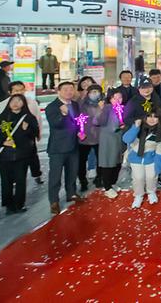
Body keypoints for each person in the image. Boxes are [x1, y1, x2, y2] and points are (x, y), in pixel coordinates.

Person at [0, 94, 38, 214]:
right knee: (6, 181)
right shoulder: (2, 118)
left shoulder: (28, 118)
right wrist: (3, 142)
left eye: (19, 101)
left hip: (22, 155)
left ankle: (20, 204)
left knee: (21, 181)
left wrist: (28, 129)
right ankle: (8, 204)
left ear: (23, 103)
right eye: (13, 101)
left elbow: (35, 134)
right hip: (6, 155)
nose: (16, 103)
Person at [0, 81, 43, 184]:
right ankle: (15, 179)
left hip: (28, 136)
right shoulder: (2, 105)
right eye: (16, 90)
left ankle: (36, 174)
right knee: (14, 159)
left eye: (21, 90)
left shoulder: (31, 103)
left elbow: (38, 119)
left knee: (33, 157)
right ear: (10, 92)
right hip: (10, 137)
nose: (19, 92)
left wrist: (38, 133)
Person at [45, 81, 84, 215]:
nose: (69, 92)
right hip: (58, 147)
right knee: (55, 176)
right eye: (66, 89)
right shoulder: (52, 106)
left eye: (71, 89)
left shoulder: (75, 104)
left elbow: (78, 121)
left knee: (72, 172)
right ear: (59, 91)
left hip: (73, 145)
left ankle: (71, 193)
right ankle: (54, 201)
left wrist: (80, 131)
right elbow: (55, 124)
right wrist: (63, 115)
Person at [122, 109, 161, 208]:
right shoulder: (138, 127)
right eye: (149, 116)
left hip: (151, 159)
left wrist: (158, 167)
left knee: (151, 177)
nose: (152, 119)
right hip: (136, 158)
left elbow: (160, 151)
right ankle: (138, 195)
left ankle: (151, 192)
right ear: (145, 117)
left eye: (155, 117)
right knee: (138, 178)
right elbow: (126, 139)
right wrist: (135, 127)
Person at [93, 90, 128, 198]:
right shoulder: (107, 108)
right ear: (110, 99)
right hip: (108, 139)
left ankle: (112, 182)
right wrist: (101, 109)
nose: (118, 100)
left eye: (120, 98)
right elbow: (97, 121)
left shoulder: (123, 109)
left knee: (117, 162)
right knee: (108, 162)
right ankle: (107, 186)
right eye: (115, 98)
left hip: (118, 139)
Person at [77, 84, 104, 192]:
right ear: (88, 93)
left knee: (100, 161)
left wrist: (102, 109)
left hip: (99, 137)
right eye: (92, 92)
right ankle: (83, 181)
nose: (95, 94)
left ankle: (99, 179)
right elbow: (76, 118)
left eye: (97, 92)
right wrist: (78, 131)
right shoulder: (81, 104)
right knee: (81, 162)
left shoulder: (103, 104)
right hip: (84, 138)